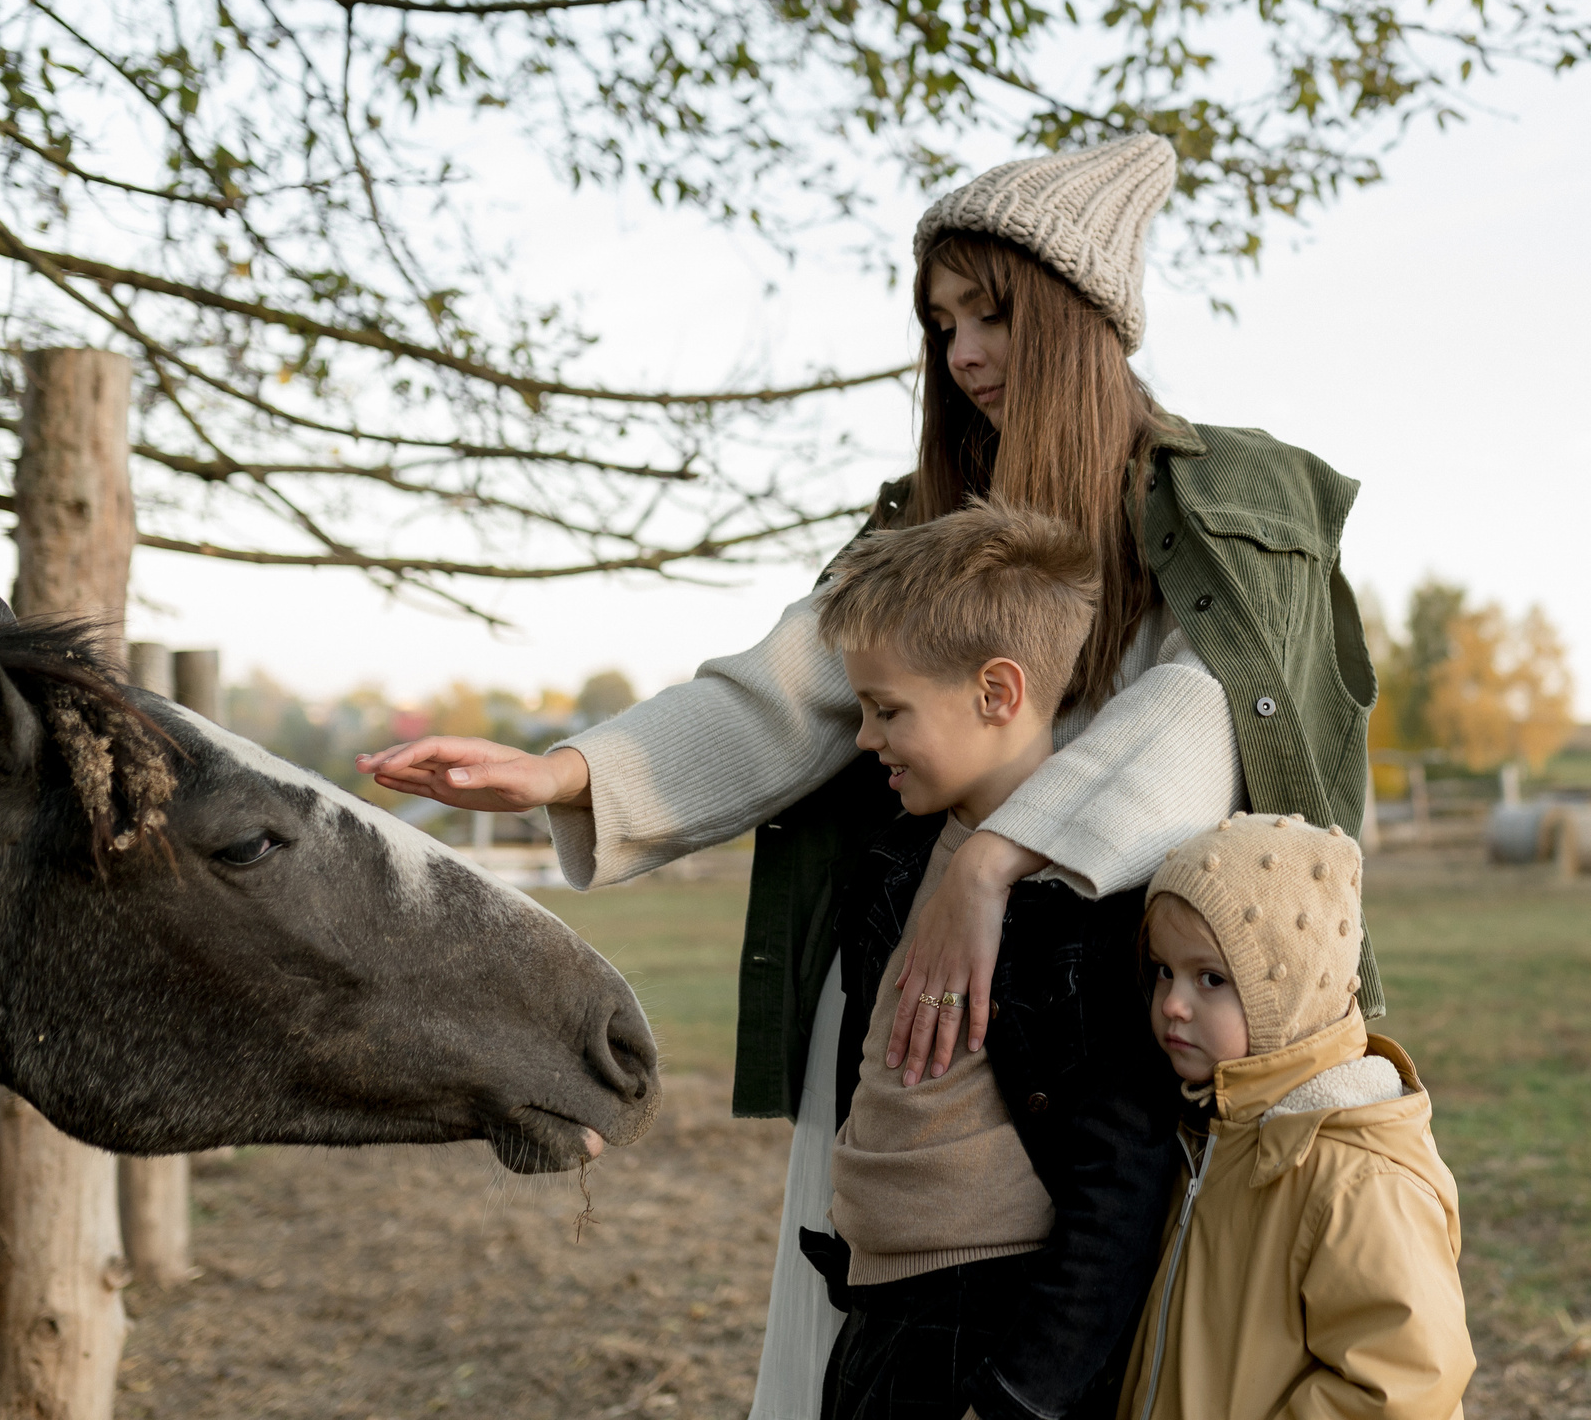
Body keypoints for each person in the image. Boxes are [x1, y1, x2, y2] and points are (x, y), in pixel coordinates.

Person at [356, 131, 1382, 1420]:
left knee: (1095, 1344)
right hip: (910, 1024)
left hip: (1111, 1026)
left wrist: (993, 862)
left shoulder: (1233, 504)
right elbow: (785, 692)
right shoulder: (923, 525)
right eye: (942, 321)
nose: (959, 355)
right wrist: (563, 772)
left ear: (1078, 322)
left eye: (991, 314)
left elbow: (1207, 712)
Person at [803, 497, 1181, 1419]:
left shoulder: (1091, 904)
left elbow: (1122, 1178)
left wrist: (1022, 1395)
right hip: (877, 1312)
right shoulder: (897, 860)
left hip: (987, 1326)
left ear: (998, 693)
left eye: (887, 710)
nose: (863, 739)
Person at [1122, 814, 1471, 1420]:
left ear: (1288, 994)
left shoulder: (1357, 1179)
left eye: (1210, 979)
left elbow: (1402, 1386)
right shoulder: (1211, 1132)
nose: (1173, 1004)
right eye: (1163, 971)